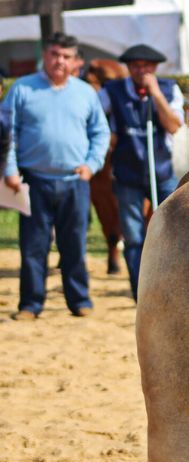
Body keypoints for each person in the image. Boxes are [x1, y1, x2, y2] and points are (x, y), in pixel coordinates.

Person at [3, 32, 108, 320]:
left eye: (65, 56)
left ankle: (79, 300)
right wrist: (9, 170)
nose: (59, 61)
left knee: (74, 244)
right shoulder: (23, 89)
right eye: (54, 54)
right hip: (33, 180)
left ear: (75, 61)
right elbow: (6, 132)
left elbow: (100, 132)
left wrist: (92, 164)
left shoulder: (85, 92)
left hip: (74, 181)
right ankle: (30, 304)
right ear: (44, 56)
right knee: (33, 246)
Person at [99, 44, 184, 301]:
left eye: (146, 66)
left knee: (172, 231)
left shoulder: (170, 90)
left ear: (155, 68)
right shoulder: (112, 91)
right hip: (128, 174)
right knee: (134, 235)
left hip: (162, 172)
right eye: (135, 65)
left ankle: (172, 289)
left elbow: (173, 126)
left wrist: (156, 95)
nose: (141, 70)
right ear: (128, 68)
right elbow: (98, 120)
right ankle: (141, 293)